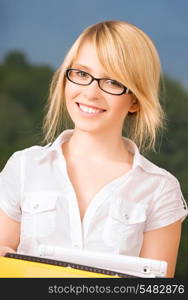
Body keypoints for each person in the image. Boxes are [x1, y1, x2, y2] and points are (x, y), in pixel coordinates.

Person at [0, 20, 187, 278]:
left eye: (112, 82)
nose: (90, 93)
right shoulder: (23, 167)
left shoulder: (160, 189)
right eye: (81, 74)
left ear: (134, 99)